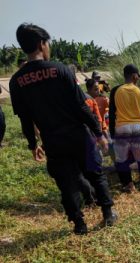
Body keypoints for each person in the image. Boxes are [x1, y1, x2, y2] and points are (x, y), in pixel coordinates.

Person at [9, 23, 117, 235]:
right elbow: (80, 106)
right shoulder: (60, 70)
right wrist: (99, 133)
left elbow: (25, 118)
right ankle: (108, 213)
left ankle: (79, 224)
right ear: (42, 44)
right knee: (95, 173)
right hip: (78, 134)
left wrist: (33, 144)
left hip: (52, 140)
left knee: (66, 182)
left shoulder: (16, 82)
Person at [109, 64, 140, 192]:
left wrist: (112, 133)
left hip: (121, 127)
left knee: (122, 159)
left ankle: (129, 185)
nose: (138, 78)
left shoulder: (115, 90)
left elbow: (112, 113)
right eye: (138, 76)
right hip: (137, 128)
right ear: (133, 75)